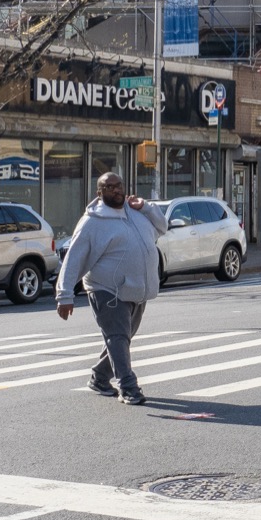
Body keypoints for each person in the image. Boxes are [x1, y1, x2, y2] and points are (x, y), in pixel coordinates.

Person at [55, 172, 166, 406]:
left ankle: (99, 377)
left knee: (122, 338)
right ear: (99, 192)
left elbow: (162, 227)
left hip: (136, 289)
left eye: (119, 185)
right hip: (106, 289)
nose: (116, 190)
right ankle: (128, 387)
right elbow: (73, 258)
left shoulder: (135, 212)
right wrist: (64, 295)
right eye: (109, 187)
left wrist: (146, 207)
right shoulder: (92, 222)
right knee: (118, 337)